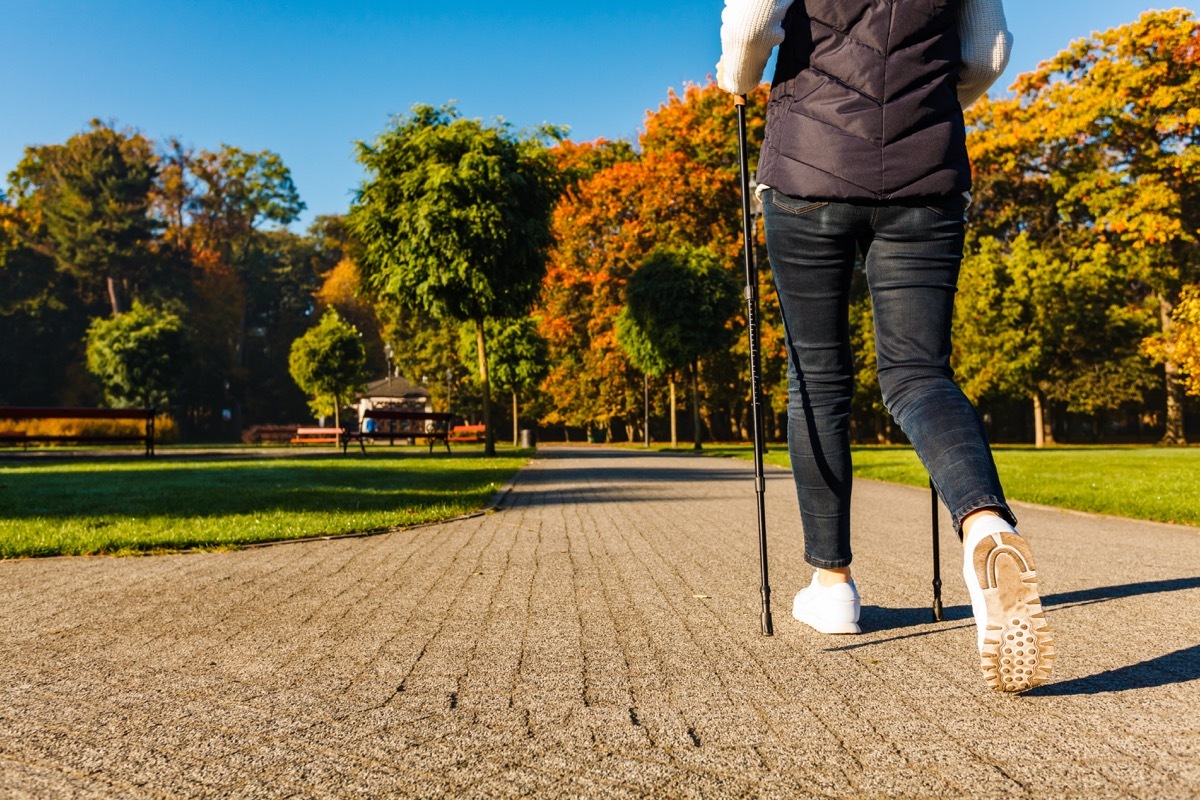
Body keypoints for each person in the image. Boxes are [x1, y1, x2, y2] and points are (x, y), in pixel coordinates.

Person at [718, 0, 1054, 692]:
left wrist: (737, 79)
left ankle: (832, 585)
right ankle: (986, 526)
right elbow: (987, 53)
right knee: (918, 373)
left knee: (816, 375)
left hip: (808, 169)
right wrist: (918, 102)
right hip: (924, 172)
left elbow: (753, 26)